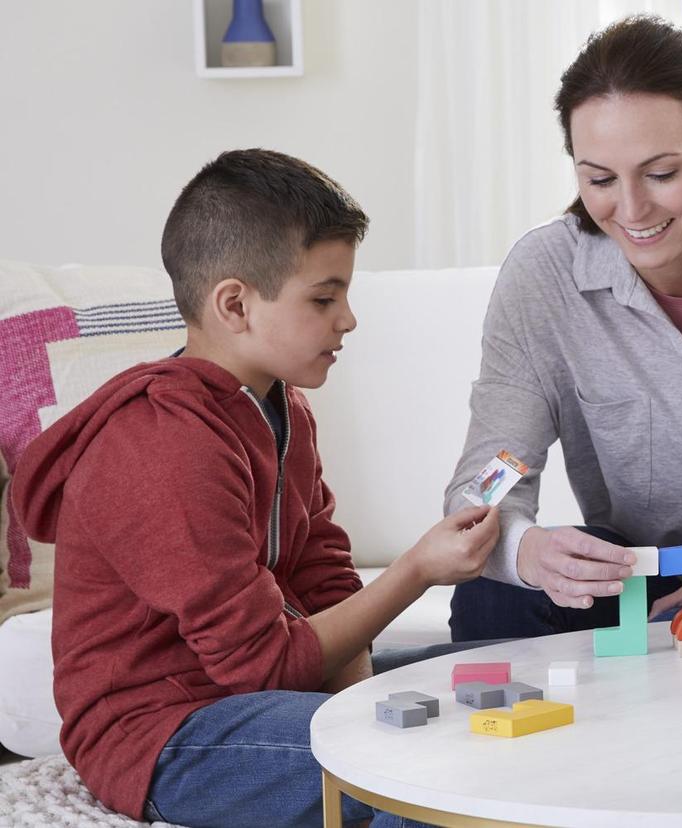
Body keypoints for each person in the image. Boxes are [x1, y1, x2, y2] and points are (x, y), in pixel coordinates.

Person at [11, 149, 500, 828]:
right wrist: (418, 570)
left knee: (506, 678)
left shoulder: (282, 407)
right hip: (167, 732)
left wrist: (364, 703)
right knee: (422, 770)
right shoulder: (158, 448)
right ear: (235, 304)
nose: (349, 319)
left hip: (272, 693)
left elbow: (323, 574)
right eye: (324, 299)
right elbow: (263, 667)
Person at [445, 14, 682, 643]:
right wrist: (525, 548)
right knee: (493, 588)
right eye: (599, 179)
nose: (630, 209)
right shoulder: (545, 276)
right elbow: (486, 482)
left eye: (660, 174)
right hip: (638, 593)